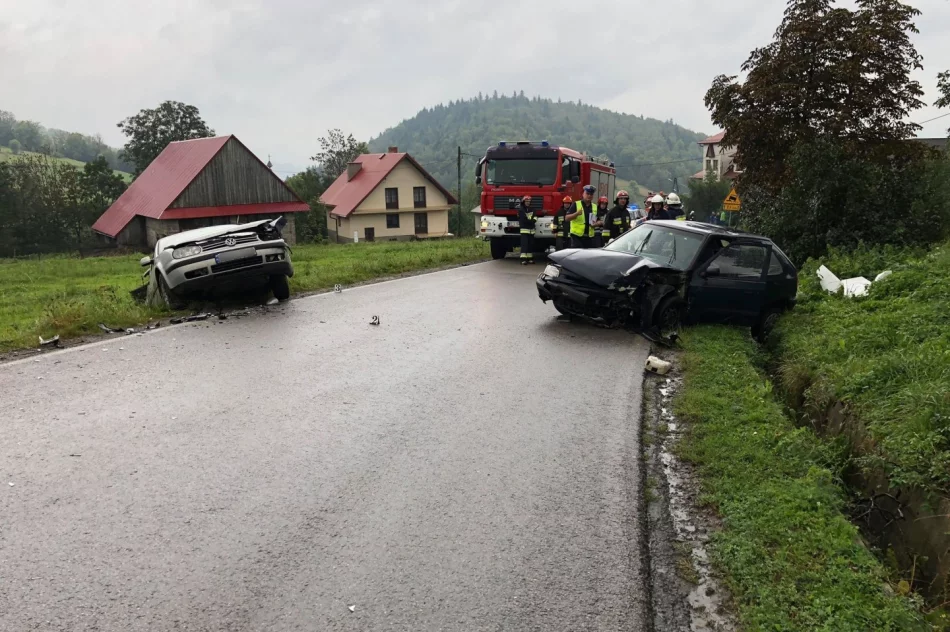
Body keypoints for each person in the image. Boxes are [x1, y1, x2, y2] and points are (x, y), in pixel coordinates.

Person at [518, 195, 537, 265]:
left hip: (531, 230)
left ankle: (530, 258)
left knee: (530, 244)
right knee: (524, 244)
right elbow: (523, 219)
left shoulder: (533, 209)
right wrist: (531, 221)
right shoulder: (521, 210)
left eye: (529, 201)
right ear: (523, 202)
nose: (528, 203)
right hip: (524, 230)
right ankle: (523, 259)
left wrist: (532, 221)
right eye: (526, 201)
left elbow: (535, 217)